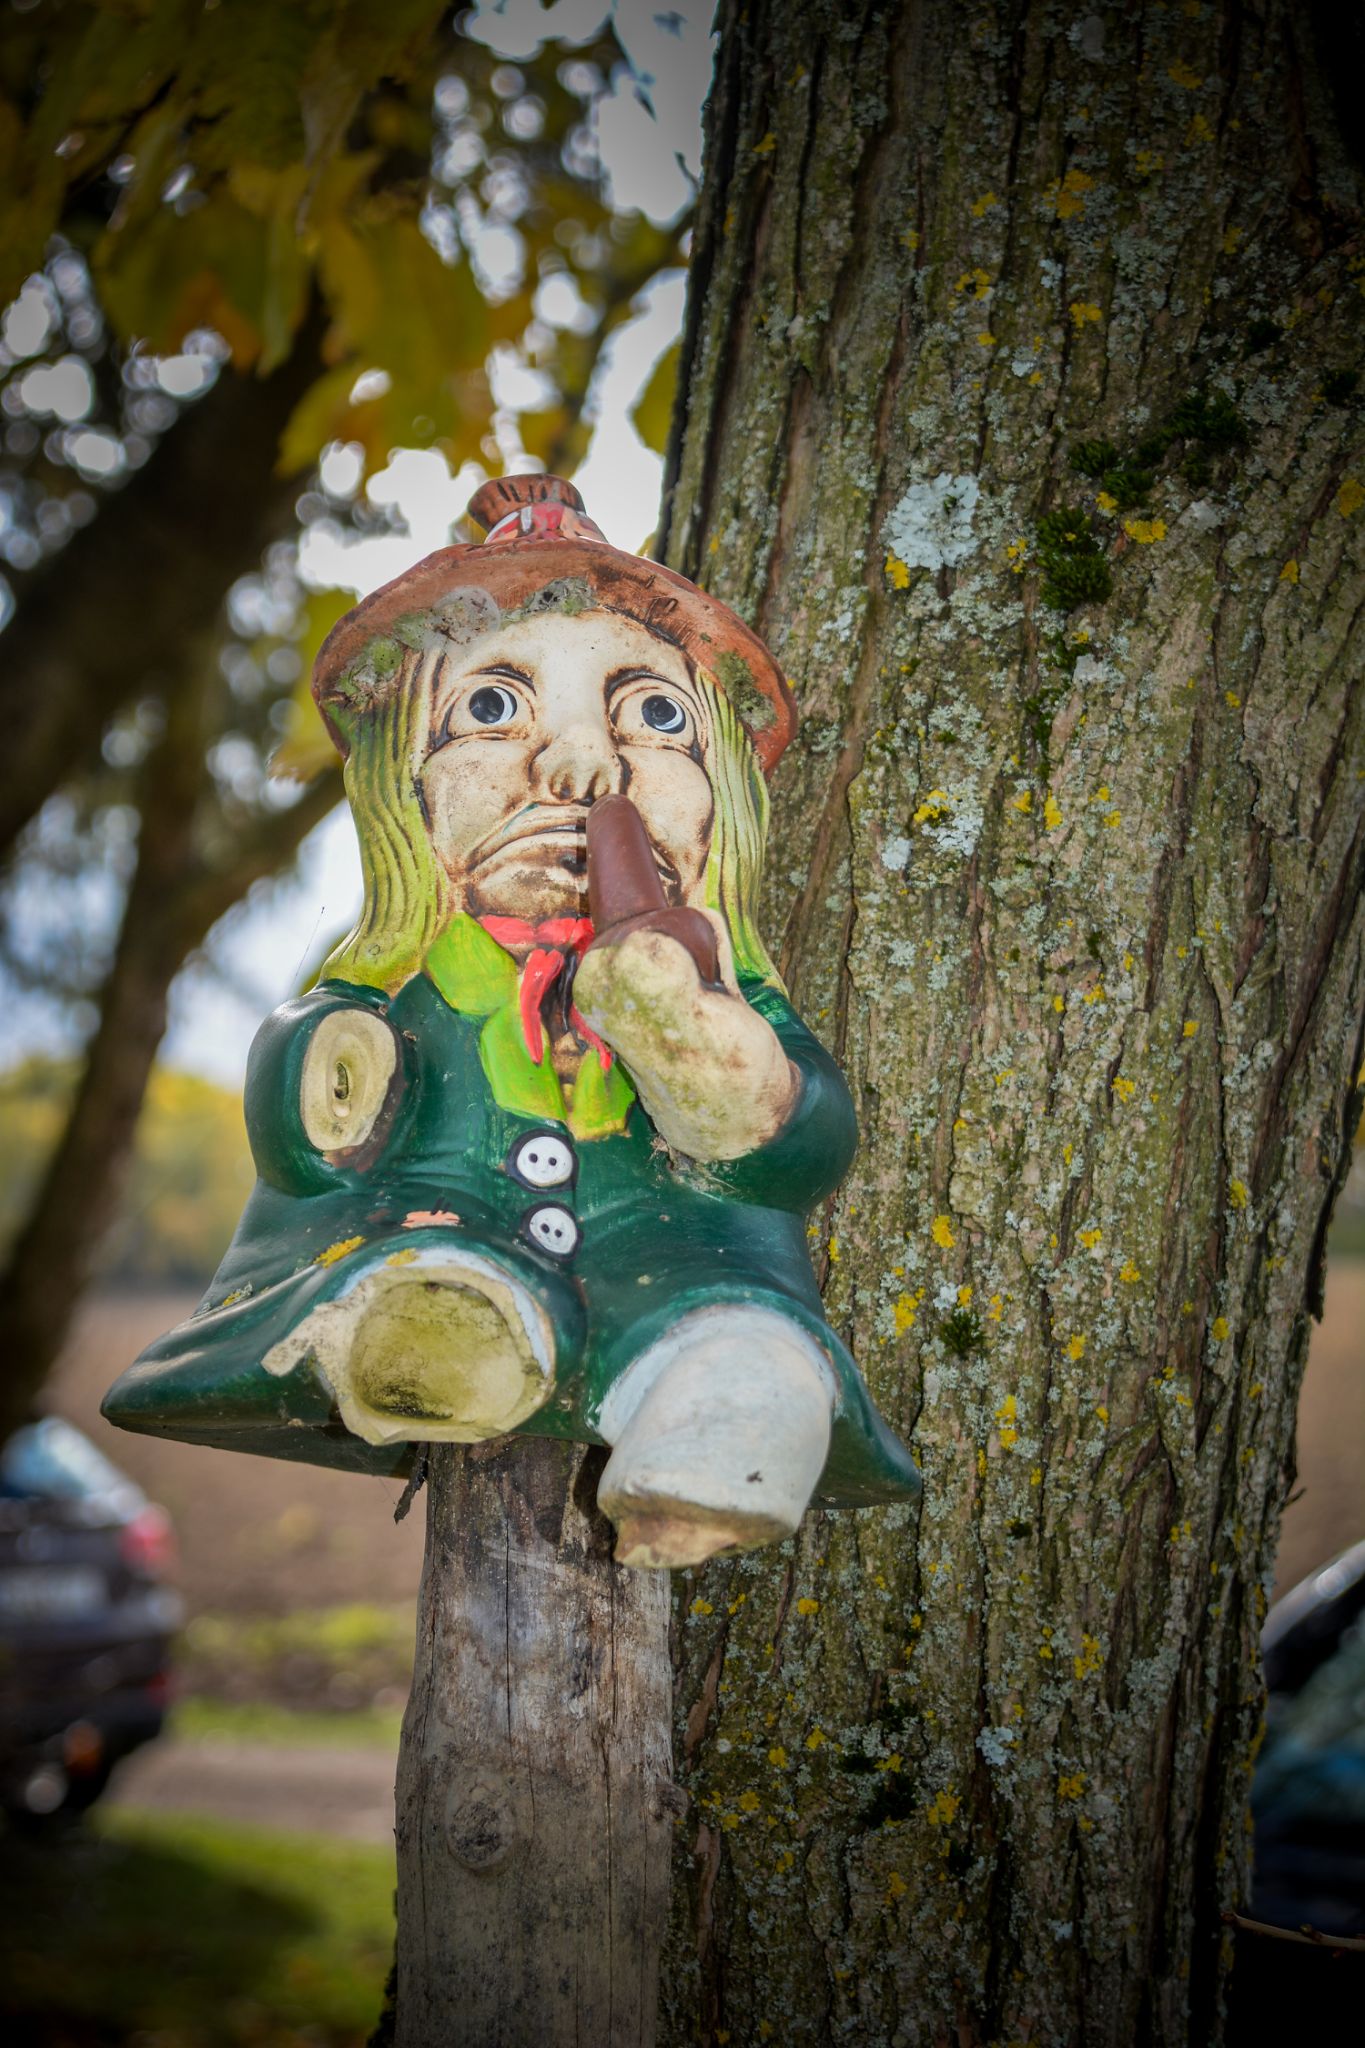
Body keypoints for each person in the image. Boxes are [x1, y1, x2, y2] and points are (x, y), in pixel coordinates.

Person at [104, 476, 918, 1568]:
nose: (582, 769)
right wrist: (331, 1072)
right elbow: (307, 1133)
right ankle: (433, 1339)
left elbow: (802, 1145)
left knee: (743, 1340)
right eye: (491, 709)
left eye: (656, 718)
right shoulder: (409, 984)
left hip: (685, 1265)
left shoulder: (724, 978)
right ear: (402, 785)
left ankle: (721, 1427)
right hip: (436, 1242)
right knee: (429, 1292)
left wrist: (712, 1062)